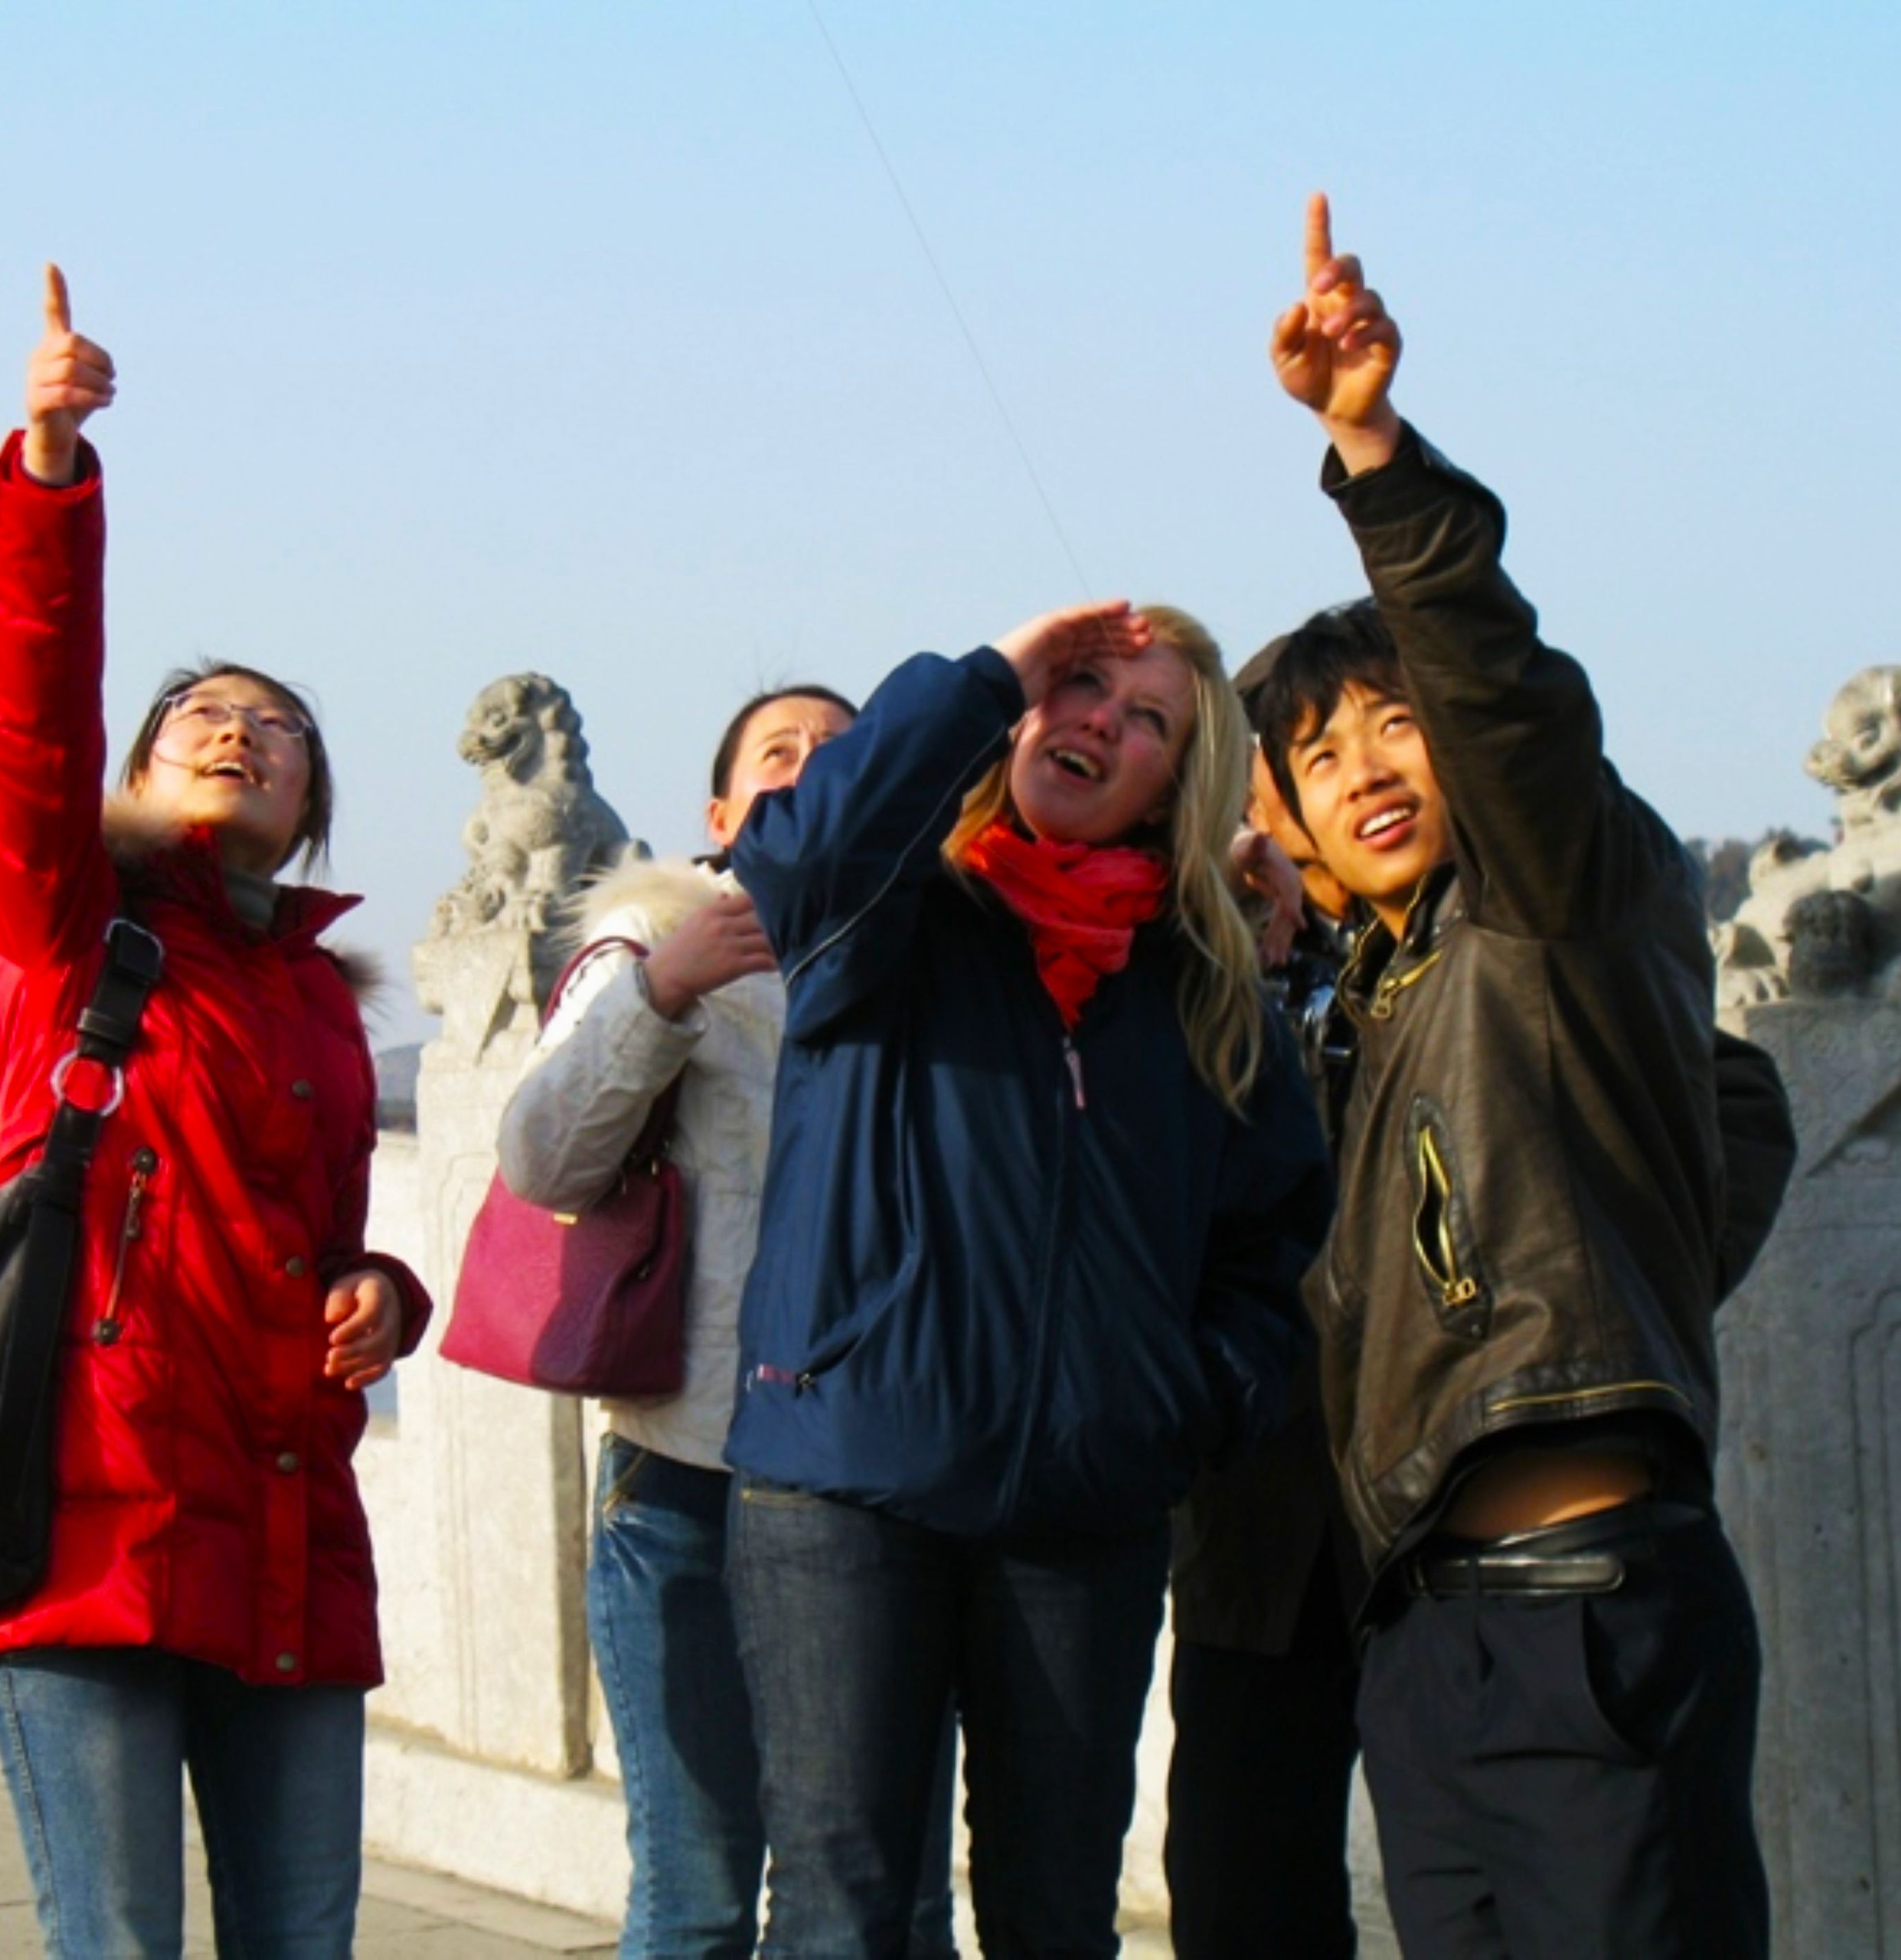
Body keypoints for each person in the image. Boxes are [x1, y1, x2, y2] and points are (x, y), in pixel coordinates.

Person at [1247, 195, 1795, 1958]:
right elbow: (1729, 1113)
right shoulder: (1374, 998)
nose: (1366, 769)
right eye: (1321, 756)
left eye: (1393, 724)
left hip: (1589, 1604)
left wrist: (1368, 447)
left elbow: (1507, 692)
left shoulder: (1556, 893)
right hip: (1429, 1635)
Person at [724, 599, 1334, 1956]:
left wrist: (1172, 1402)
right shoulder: (884, 916)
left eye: (1147, 717)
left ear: (1178, 780)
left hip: (1086, 1505)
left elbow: (1274, 1243)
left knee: (1057, 1917)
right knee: (843, 1911)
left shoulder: (1203, 990)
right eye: (1080, 687)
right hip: (844, 1473)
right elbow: (803, 843)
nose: (1101, 721)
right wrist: (992, 664)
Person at [0, 266, 431, 1957]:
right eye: (201, 718)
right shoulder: (65, 923)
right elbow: (27, 715)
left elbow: (317, 1242)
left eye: (279, 730)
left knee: (302, 1942)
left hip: (291, 1522)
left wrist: (387, 1293)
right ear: (141, 775)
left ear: (309, 809)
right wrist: (53, 473)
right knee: (123, 1943)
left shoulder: (314, 989)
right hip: (94, 1514)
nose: (240, 732)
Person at [494, 685, 958, 1959]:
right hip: (690, 1475)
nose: (812, 766)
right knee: (698, 1893)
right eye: (780, 752)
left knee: (903, 1900)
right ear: (719, 811)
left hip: (884, 1483)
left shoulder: (935, 949)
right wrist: (663, 993)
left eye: (842, 750)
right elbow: (539, 1160)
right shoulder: (648, 939)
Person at [1164, 759, 1368, 1960]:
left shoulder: (1482, 943)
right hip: (1258, 1525)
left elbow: (1733, 1108)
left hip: (1455, 1522)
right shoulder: (1194, 975)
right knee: (1243, 1897)